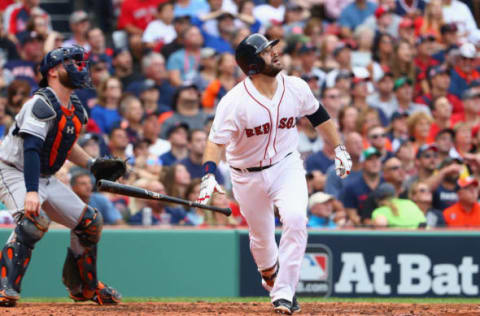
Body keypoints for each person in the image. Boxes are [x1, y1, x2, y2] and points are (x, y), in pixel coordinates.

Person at [196, 34, 352, 314]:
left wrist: (339, 148)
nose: (275, 53)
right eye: (266, 51)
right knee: (262, 238)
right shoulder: (234, 102)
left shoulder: (295, 87)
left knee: (295, 219)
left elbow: (319, 116)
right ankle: (270, 273)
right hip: (246, 174)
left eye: (272, 48)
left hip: (287, 165)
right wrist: (209, 174)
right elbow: (215, 142)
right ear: (253, 64)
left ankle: (284, 293)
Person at [0, 46, 121, 306]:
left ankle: (84, 288)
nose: (79, 68)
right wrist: (32, 192)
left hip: (44, 175)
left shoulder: (74, 107)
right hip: (13, 170)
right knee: (33, 222)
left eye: (80, 63)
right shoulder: (40, 104)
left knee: (90, 222)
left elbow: (65, 145)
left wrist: (91, 163)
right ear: (52, 71)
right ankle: (5, 289)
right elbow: (31, 147)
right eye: (71, 63)